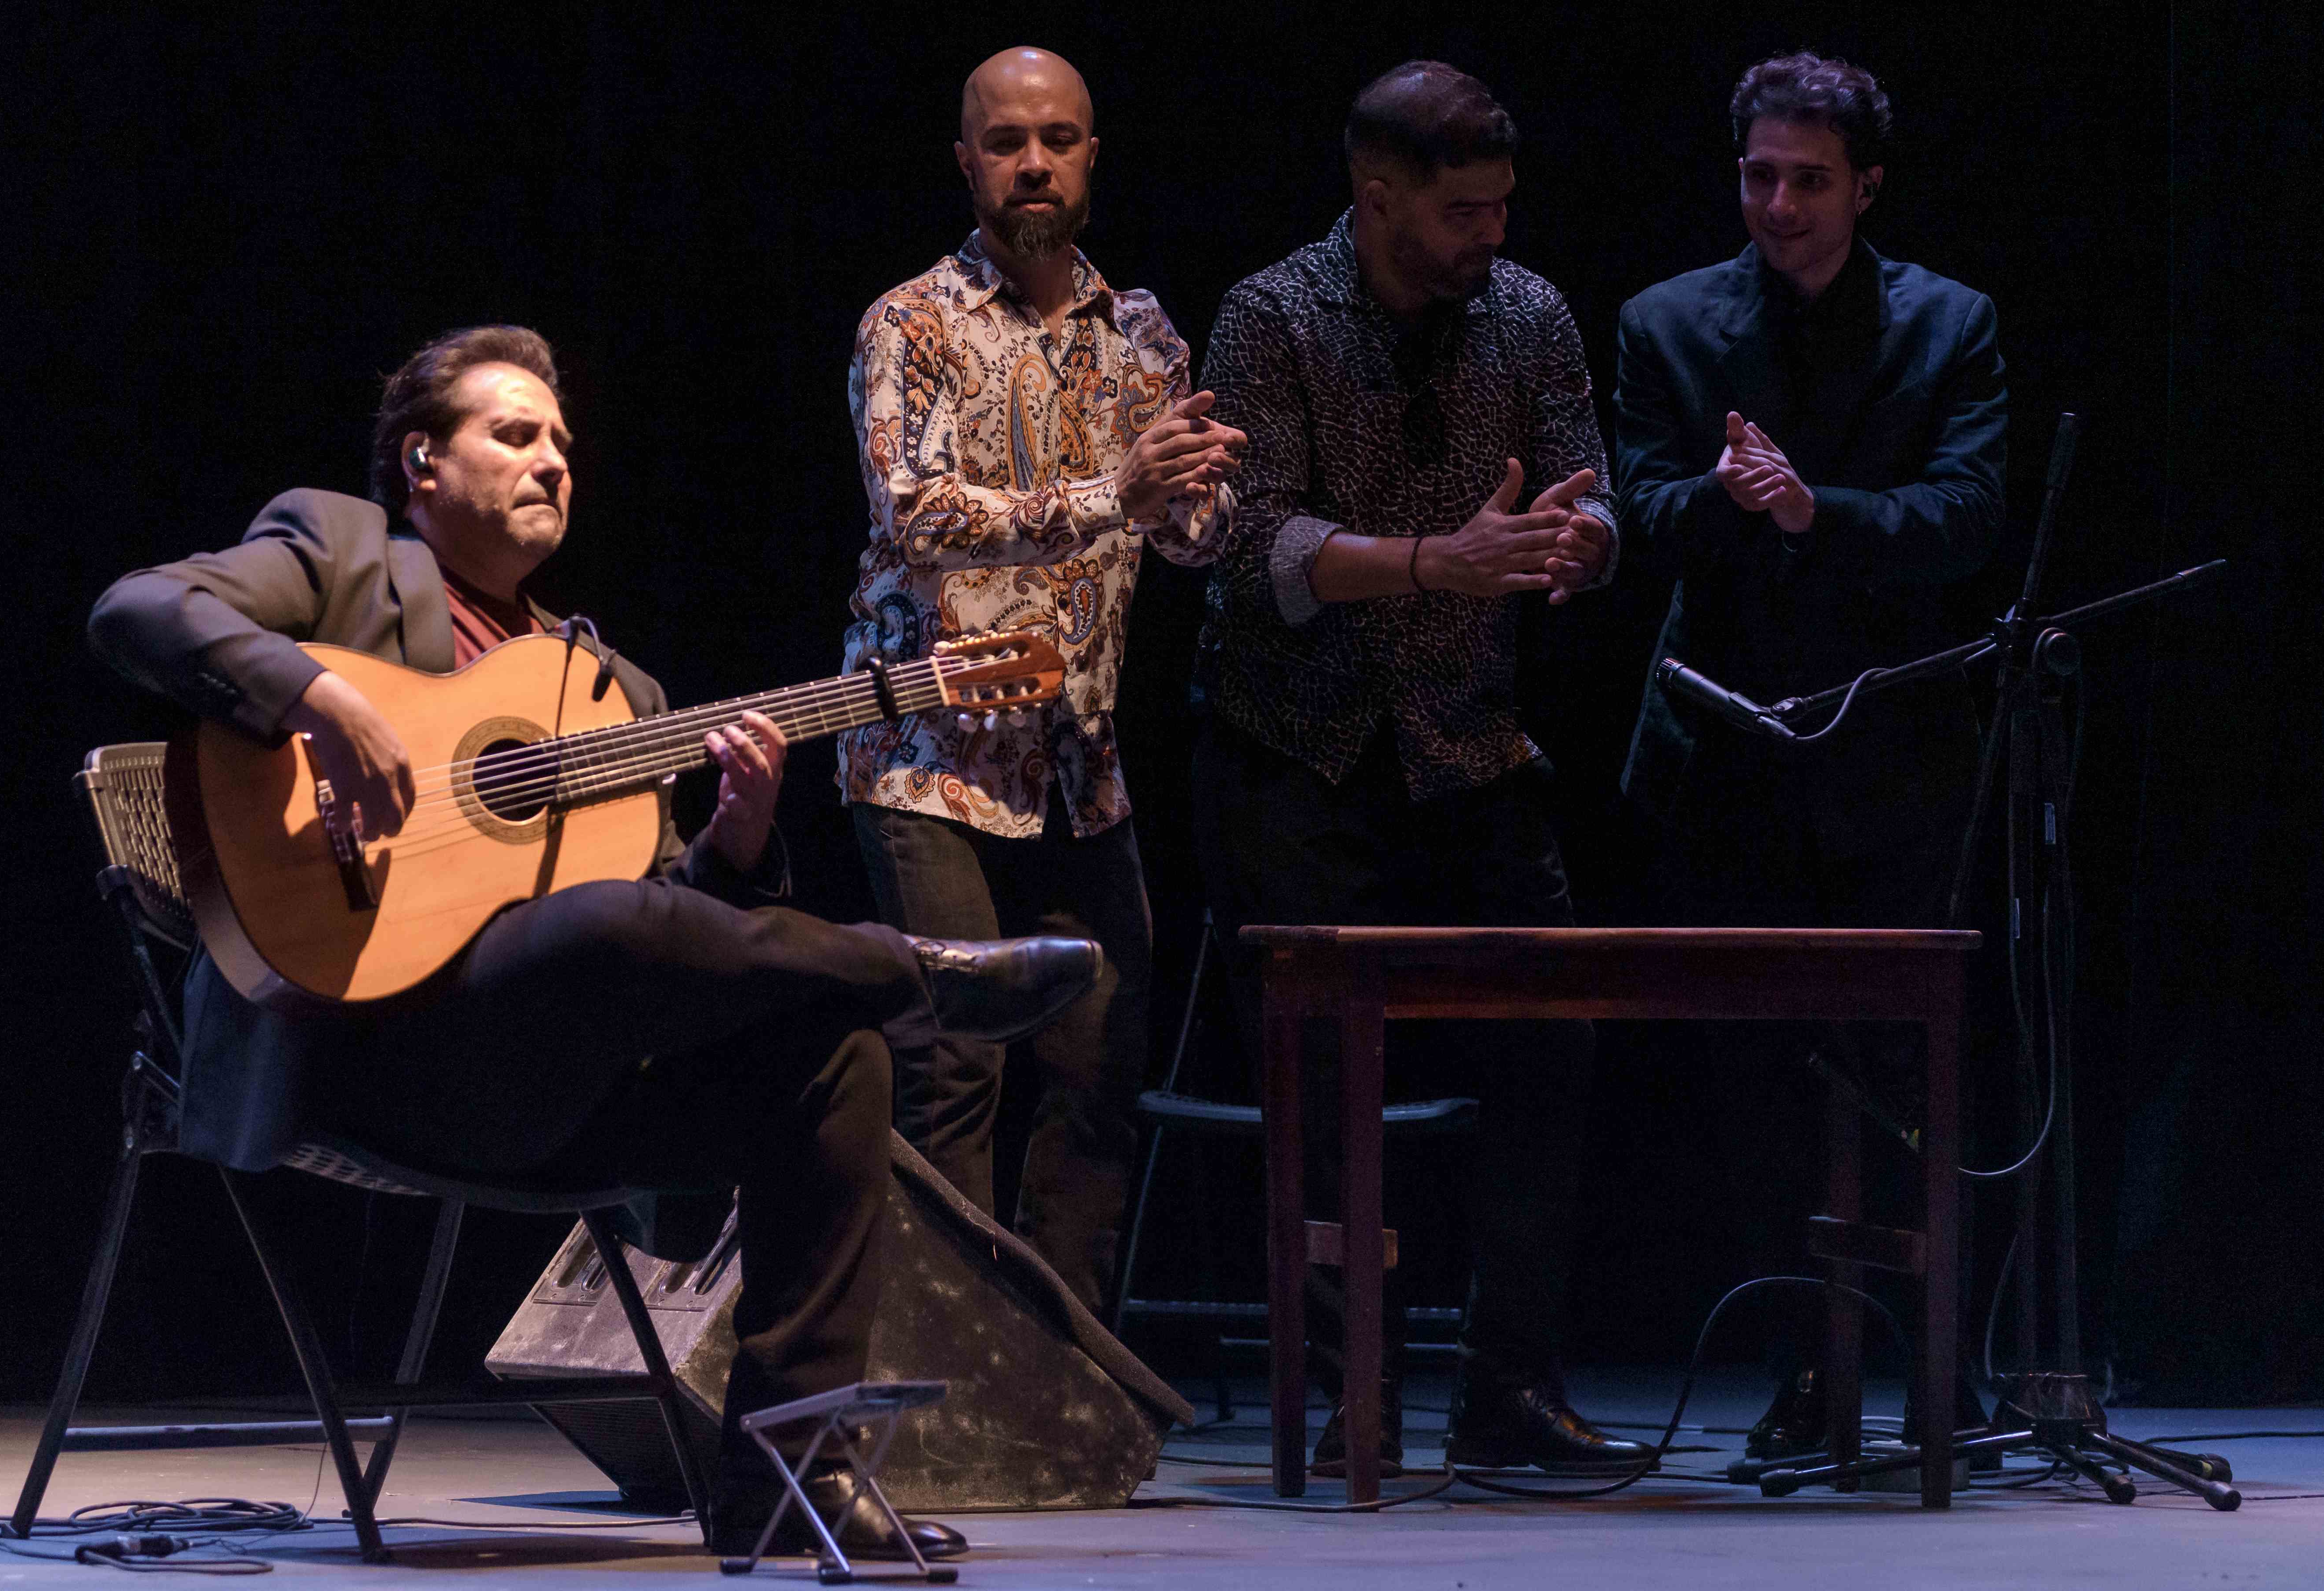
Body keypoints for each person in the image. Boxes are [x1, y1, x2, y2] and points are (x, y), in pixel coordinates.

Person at [87, 325, 1103, 1559]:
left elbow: (667, 938)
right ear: (422, 463)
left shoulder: (610, 691)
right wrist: (317, 693)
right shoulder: (338, 557)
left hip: (543, 1091)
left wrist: (734, 849)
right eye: (516, 434)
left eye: (564, 442)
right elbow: (136, 608)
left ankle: (788, 1480)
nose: (554, 461)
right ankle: (912, 971)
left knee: (838, 1056)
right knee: (631, 930)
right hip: (359, 1052)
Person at [1190, 61, 1651, 1477]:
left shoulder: (1530, 314)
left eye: (1502, 208)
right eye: (1461, 214)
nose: (1489, 238)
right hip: (1300, 748)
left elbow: (1594, 487)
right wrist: (1431, 563)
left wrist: (1586, 546)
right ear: (1377, 198)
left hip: (1467, 740)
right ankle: (1353, 1397)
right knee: (1328, 1073)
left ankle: (1509, 1389)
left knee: (1552, 1036)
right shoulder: (1270, 317)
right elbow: (1243, 551)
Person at [1613, 52, 2008, 1460]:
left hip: (1894, 755)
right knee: (1759, 1092)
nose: (1777, 203)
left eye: (1809, 180)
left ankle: (1937, 1367)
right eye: (1758, 175)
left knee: (1907, 1082)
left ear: (1868, 187)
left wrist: (1811, 513)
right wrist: (1731, 505)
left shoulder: (1948, 323)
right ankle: (1806, 1372)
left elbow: (1966, 519)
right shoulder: (1667, 323)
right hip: (1723, 750)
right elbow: (1635, 519)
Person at [839, 46, 1245, 1315]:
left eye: (1058, 140)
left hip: (1080, 759)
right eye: (1007, 141)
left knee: (1098, 1060)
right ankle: (945, 1371)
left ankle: (1058, 1369)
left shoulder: (1139, 336)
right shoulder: (909, 324)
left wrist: (1199, 500)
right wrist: (1111, 494)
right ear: (966, 161)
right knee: (956, 1061)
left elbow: (1194, 539)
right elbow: (913, 514)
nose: (1033, 163)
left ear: (1090, 159)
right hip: (927, 752)